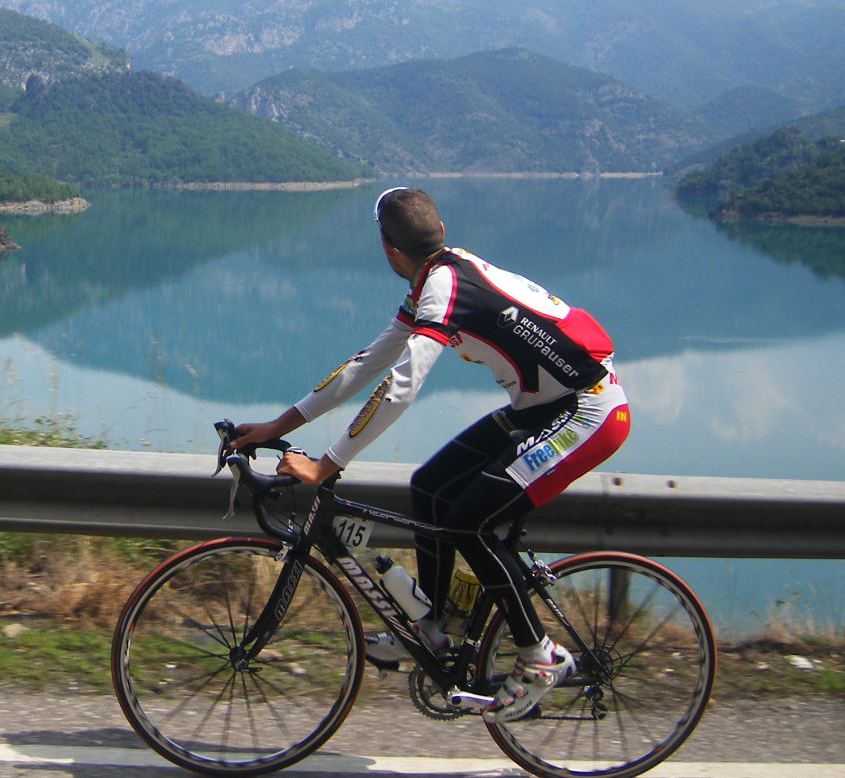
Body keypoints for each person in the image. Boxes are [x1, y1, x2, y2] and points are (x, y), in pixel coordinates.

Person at [231, 186, 630, 722]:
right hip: (543, 408)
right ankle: (435, 629)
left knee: (468, 521)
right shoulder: (437, 277)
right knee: (429, 488)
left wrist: (326, 465)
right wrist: (279, 425)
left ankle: (539, 655)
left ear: (387, 247)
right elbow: (367, 364)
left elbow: (400, 386)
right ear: (436, 232)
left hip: (588, 412)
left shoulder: (443, 288)